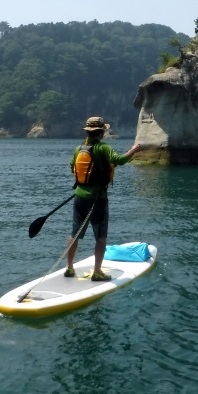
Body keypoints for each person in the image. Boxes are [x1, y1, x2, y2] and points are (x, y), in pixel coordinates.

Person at [65, 116, 141, 281]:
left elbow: (73, 167)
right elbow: (119, 160)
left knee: (75, 232)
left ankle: (69, 268)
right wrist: (134, 150)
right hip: (97, 198)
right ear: (101, 133)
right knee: (100, 236)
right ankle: (97, 272)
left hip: (79, 196)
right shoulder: (103, 148)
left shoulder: (79, 149)